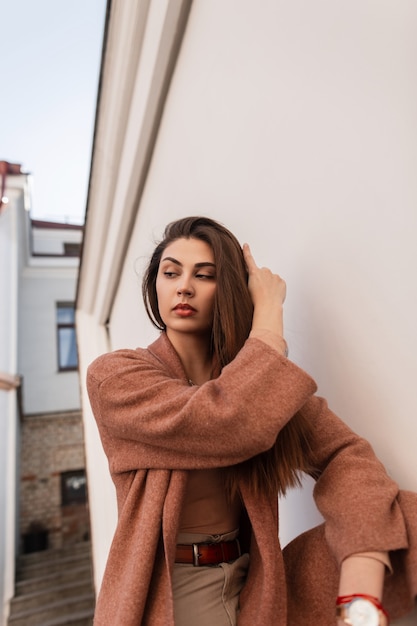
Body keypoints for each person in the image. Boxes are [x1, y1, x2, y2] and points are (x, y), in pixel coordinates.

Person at [86, 216, 417, 626]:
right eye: (170, 272)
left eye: (204, 275)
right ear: (155, 285)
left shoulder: (262, 389)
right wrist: (269, 321)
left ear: (230, 291)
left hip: (255, 585)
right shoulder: (116, 376)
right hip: (172, 594)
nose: (184, 286)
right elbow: (225, 420)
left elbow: (343, 454)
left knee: (403, 513)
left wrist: (361, 582)